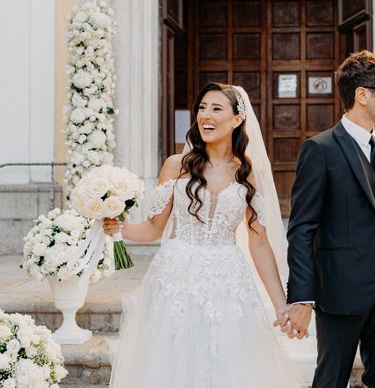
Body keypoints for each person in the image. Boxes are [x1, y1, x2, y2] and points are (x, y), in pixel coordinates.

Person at [103, 82, 303, 387]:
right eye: (202, 108)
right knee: (170, 360)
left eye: (216, 108)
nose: (205, 115)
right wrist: (120, 227)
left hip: (227, 280)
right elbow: (154, 227)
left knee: (227, 362)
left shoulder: (247, 173)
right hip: (174, 279)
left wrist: (281, 305)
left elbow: (259, 244)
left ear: (238, 119)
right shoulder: (176, 165)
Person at [284, 51, 375, 387]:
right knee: (331, 380)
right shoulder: (320, 150)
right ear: (363, 94)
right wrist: (301, 297)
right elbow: (302, 229)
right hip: (339, 292)